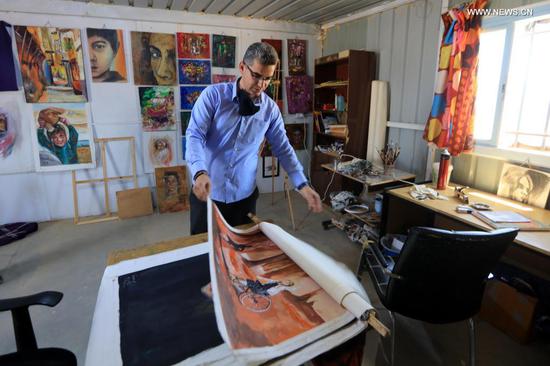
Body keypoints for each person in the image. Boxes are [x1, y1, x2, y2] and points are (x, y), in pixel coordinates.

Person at [186, 42, 322, 235]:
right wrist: (199, 172)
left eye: (267, 79)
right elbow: (194, 135)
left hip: (244, 197)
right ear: (242, 67)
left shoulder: (270, 110)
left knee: (245, 254)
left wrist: (302, 184)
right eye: (256, 76)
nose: (261, 85)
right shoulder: (213, 96)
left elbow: (283, 148)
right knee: (203, 253)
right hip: (207, 192)